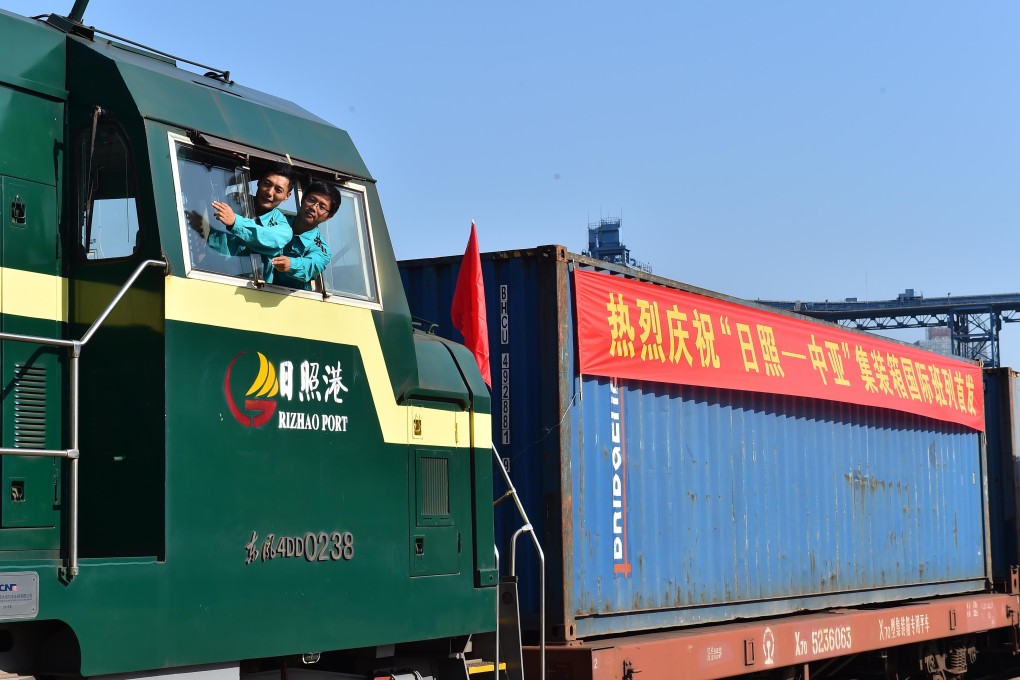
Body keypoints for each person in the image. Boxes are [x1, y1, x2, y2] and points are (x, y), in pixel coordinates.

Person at [188, 163, 295, 280]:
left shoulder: (284, 228)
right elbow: (215, 237)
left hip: (252, 288)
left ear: (287, 196)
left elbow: (267, 237)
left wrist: (236, 222)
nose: (269, 192)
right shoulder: (231, 201)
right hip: (210, 274)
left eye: (278, 190)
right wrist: (201, 228)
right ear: (259, 183)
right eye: (267, 184)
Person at [268, 181, 339, 290]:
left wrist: (290, 264)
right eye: (311, 200)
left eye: (322, 207)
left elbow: (310, 266)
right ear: (303, 199)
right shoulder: (276, 218)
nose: (314, 208)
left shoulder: (322, 251)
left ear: (328, 216)